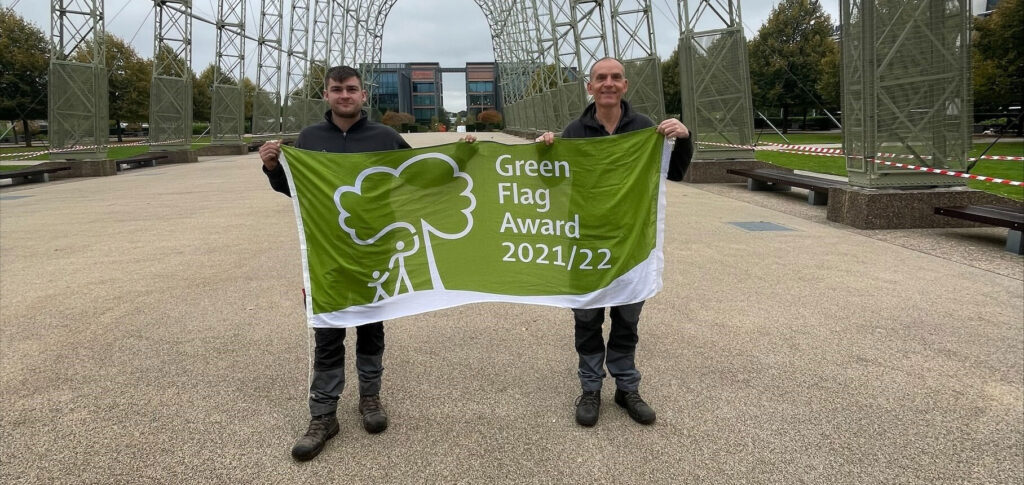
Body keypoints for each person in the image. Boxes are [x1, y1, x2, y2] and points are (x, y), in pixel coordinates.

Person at [259, 65, 411, 462]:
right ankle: (323, 414)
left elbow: (419, 179)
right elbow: (294, 190)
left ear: (364, 96)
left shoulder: (385, 137)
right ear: (326, 95)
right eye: (337, 89)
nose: (345, 95)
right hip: (326, 250)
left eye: (352, 89)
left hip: (374, 250)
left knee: (371, 326)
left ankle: (370, 398)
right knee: (328, 331)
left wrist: (465, 153)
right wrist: (273, 167)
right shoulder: (309, 139)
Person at [536, 57, 693, 427]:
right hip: (587, 244)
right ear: (589, 87)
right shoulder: (574, 132)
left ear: (625, 85)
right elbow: (551, 183)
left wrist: (684, 139)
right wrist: (544, 153)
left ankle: (626, 387)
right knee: (587, 319)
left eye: (615, 77)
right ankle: (590, 387)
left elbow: (677, 172)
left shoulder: (646, 130)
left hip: (631, 244)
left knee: (626, 320)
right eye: (600, 78)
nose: (608, 83)